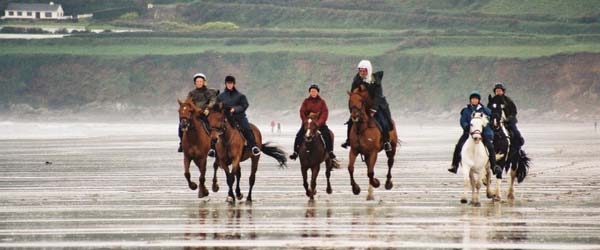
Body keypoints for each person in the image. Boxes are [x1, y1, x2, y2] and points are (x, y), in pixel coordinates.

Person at [341, 59, 393, 151]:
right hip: (361, 107)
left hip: (376, 105)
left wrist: (373, 109)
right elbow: (353, 95)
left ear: (368, 70)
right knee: (350, 122)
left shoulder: (376, 81)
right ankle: (349, 140)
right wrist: (353, 108)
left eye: (364, 70)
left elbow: (378, 96)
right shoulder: (356, 80)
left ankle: (386, 141)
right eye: (360, 70)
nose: (362, 72)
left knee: (384, 121)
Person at [448, 91, 501, 175]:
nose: (474, 100)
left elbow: (491, 116)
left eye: (476, 99)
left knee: (490, 147)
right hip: (469, 132)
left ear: (479, 100)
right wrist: (466, 126)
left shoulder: (484, 109)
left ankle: (494, 166)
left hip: (481, 132)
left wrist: (493, 120)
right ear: (470, 100)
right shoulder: (466, 110)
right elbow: (463, 120)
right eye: (473, 99)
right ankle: (455, 165)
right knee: (459, 146)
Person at [208, 75, 261, 157]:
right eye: (228, 83)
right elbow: (216, 107)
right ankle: (212, 149)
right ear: (225, 84)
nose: (229, 85)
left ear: (234, 84)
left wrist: (235, 109)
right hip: (224, 118)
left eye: (231, 83)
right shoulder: (220, 96)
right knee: (214, 128)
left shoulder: (240, 96)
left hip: (239, 117)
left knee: (247, 128)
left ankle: (254, 146)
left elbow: (244, 105)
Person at [289, 83, 336, 160]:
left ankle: (330, 151)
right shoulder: (306, 101)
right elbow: (302, 112)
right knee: (299, 135)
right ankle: (295, 152)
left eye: (314, 91)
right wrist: (305, 121)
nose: (313, 93)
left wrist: (318, 123)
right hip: (308, 123)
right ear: (309, 92)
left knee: (327, 134)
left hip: (319, 124)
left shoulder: (322, 102)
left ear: (317, 92)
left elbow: (325, 113)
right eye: (311, 91)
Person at [178, 73, 218, 152]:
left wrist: (208, 108)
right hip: (194, 114)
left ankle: (212, 147)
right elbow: (187, 102)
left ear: (204, 82)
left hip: (205, 113)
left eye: (200, 81)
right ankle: (182, 143)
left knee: (210, 125)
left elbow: (213, 101)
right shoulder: (191, 93)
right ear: (195, 83)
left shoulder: (208, 92)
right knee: (181, 124)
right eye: (197, 81)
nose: (199, 83)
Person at [488, 82, 524, 148]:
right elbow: (489, 111)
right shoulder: (492, 101)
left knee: (515, 132)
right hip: (495, 121)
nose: (498, 92)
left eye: (499, 90)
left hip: (508, 121)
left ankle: (517, 147)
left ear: (503, 91)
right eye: (496, 91)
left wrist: (509, 118)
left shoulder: (508, 100)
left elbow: (514, 111)